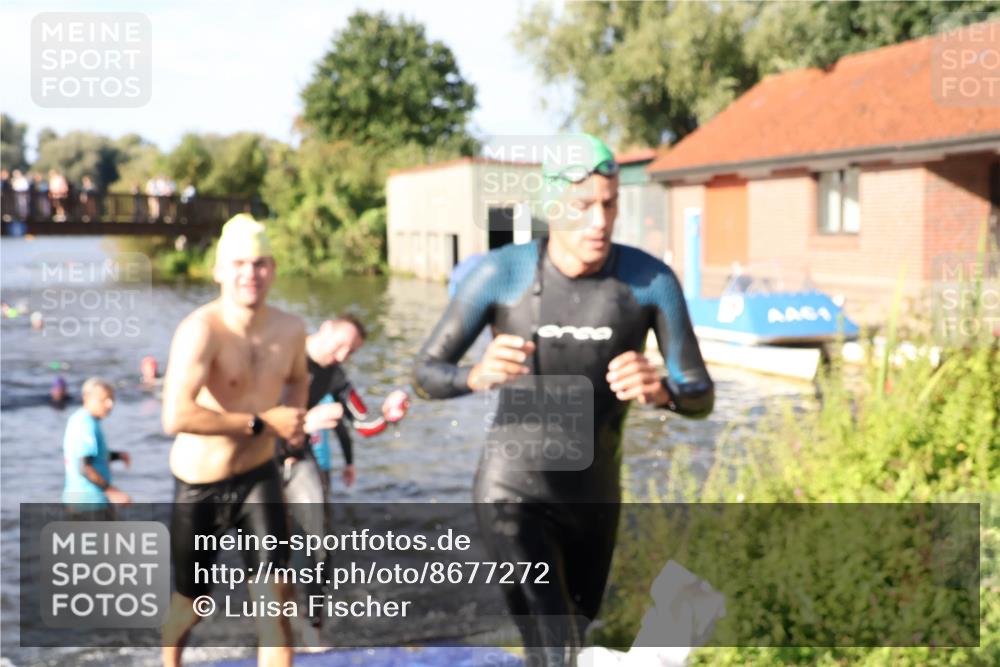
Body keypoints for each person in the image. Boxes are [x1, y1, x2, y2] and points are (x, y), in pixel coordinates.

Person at [413, 134, 714, 665]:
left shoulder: (649, 281)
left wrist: (663, 390)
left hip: (594, 497)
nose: (600, 221)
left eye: (610, 204)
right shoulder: (501, 273)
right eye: (583, 206)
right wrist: (475, 376)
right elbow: (424, 374)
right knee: (555, 648)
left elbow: (700, 394)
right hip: (512, 490)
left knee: (568, 643)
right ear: (551, 206)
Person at [159, 213, 308, 667]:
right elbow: (175, 416)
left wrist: (294, 424)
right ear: (219, 270)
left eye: (260, 263)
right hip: (200, 485)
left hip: (259, 476)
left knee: (276, 605)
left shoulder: (291, 329)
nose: (250, 273)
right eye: (240, 263)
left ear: (273, 269)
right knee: (191, 606)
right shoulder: (202, 330)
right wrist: (264, 423)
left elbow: (299, 378)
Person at [279, 315, 410, 637]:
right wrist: (305, 421)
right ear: (325, 328)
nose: (341, 356)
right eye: (340, 346)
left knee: (319, 542)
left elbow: (363, 423)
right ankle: (273, 619)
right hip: (258, 458)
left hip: (299, 459)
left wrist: (388, 416)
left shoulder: (335, 375)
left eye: (350, 352)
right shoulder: (283, 352)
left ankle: (313, 625)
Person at [62, 378, 131, 518]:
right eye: (103, 399)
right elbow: (85, 467)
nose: (110, 404)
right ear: (87, 399)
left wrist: (117, 456)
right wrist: (112, 491)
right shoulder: (86, 424)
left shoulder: (78, 418)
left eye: (112, 399)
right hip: (89, 502)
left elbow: (93, 456)